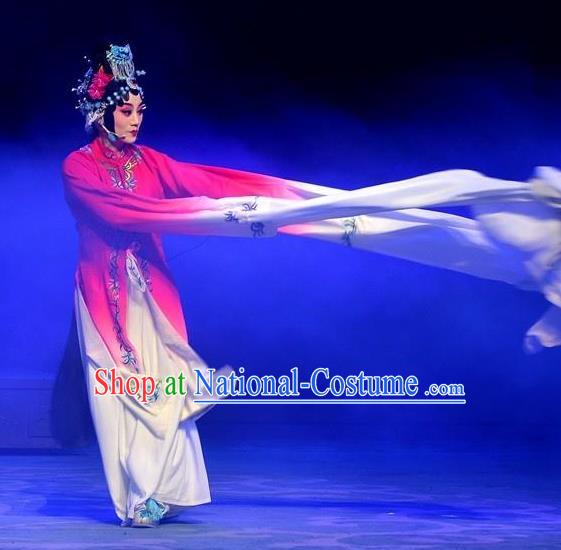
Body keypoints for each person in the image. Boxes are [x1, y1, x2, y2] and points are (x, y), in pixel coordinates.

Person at [63, 42, 561, 527]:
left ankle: (161, 491)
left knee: (167, 378)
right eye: (126, 110)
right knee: (123, 392)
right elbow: (120, 212)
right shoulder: (78, 167)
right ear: (102, 113)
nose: (136, 119)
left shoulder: (151, 162)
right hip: (105, 298)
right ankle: (136, 494)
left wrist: (272, 204)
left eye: (139, 110)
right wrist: (211, 217)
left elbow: (207, 182)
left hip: (151, 288)